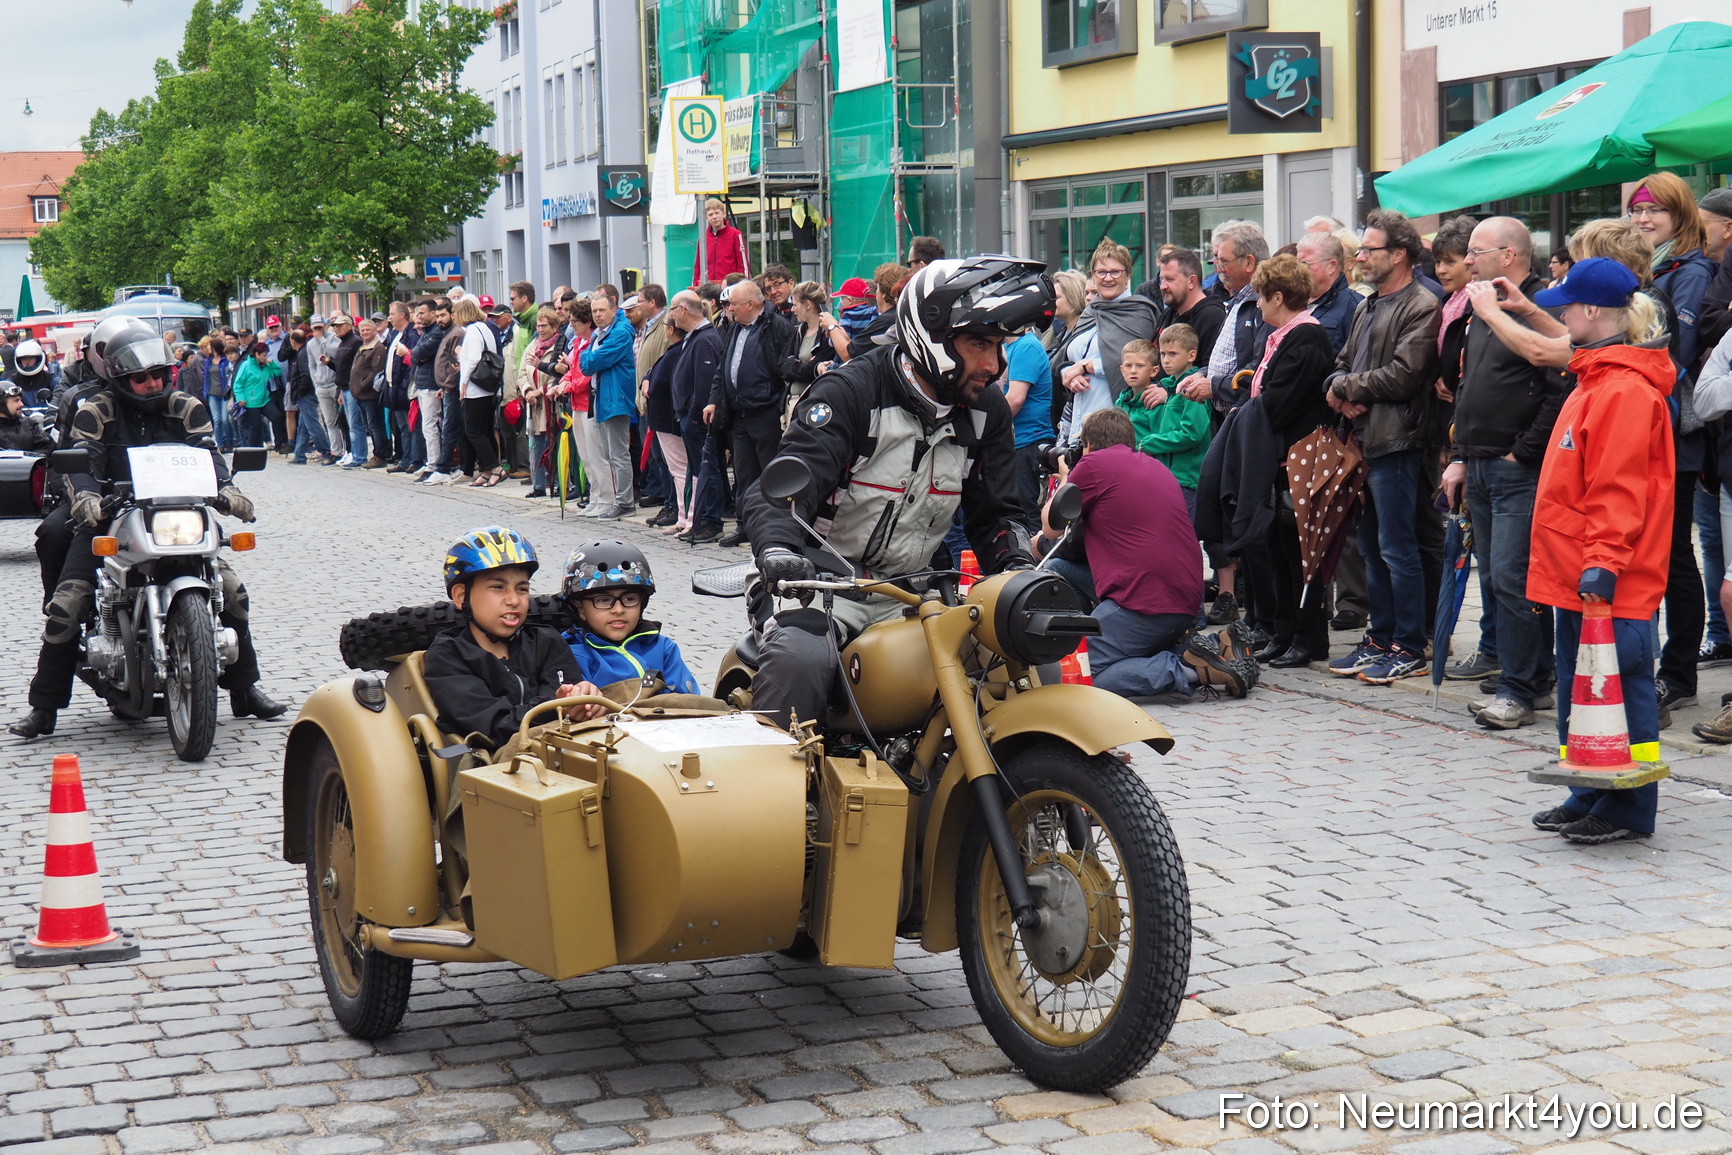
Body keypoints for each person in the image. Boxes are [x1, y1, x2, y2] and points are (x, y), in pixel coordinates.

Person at [741, 256, 1051, 729]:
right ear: (933, 337)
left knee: (1022, 651)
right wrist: (780, 551)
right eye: (979, 344)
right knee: (800, 658)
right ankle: (772, 772)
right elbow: (780, 492)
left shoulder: (985, 410)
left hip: (916, 592)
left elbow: (996, 513)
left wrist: (1016, 564)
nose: (994, 365)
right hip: (820, 586)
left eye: (998, 347)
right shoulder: (850, 393)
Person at [10, 327, 283, 740]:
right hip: (110, 515)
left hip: (177, 515)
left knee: (232, 591)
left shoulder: (185, 406)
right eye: (141, 378)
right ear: (120, 378)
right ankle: (44, 708)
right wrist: (86, 496)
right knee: (68, 605)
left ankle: (244, 689)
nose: (152, 383)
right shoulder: (95, 409)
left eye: (158, 374)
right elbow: (81, 459)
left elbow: (207, 451)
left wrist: (228, 490)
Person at [1521, 258, 1673, 843]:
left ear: (1592, 310)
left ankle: (1626, 807)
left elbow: (1619, 490)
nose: (1561, 313)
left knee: (1620, 687)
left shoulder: (1622, 390)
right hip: (1581, 569)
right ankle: (1588, 788)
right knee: (1583, 687)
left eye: (1567, 305)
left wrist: (1602, 564)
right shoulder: (1596, 381)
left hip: (1610, 575)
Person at [1440, 217, 1567, 730]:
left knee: (1514, 579)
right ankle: (1533, 679)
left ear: (1508, 255)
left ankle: (1517, 689)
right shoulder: (1483, 305)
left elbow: (1559, 386)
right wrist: (1461, 455)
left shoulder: (1538, 307)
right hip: (1482, 462)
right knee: (1496, 579)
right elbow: (1469, 384)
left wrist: (1524, 451)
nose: (1467, 260)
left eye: (1476, 250)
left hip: (1516, 468)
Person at [1041, 409, 1255, 700]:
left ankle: (1191, 669)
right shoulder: (1155, 467)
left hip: (1143, 602)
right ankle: (1219, 646)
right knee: (1060, 567)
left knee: (1079, 671)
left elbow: (1051, 527)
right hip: (1185, 600)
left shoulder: (1092, 465)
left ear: (1088, 443)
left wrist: (1066, 478)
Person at [1322, 210, 1441, 686]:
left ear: (1400, 254)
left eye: (1369, 250)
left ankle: (1409, 644)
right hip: (1364, 440)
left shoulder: (1422, 304)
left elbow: (1404, 375)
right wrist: (1338, 387)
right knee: (1371, 545)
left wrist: (1345, 387)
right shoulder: (1367, 306)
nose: (1360, 257)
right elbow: (1340, 363)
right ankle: (1380, 636)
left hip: (1398, 441)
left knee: (1397, 546)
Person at [1218, 253, 1337, 668]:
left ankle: (1308, 637)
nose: (1258, 304)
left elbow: (1280, 403)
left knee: (1300, 554)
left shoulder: (1306, 337)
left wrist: (1248, 410)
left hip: (1299, 461)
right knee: (1280, 550)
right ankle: (1285, 632)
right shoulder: (1284, 335)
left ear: (1279, 297)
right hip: (1280, 460)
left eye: (1262, 296)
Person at [422, 528, 593, 749]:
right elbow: (494, 726)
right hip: (492, 762)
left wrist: (585, 700)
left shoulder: (547, 642)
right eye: (498, 587)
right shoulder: (448, 655)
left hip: (561, 751)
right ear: (462, 596)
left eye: (522, 589)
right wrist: (556, 706)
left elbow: (570, 703)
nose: (513, 600)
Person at [703, 279, 798, 547]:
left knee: (770, 472)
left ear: (751, 304)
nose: (729, 308)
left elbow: (785, 367)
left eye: (733, 303)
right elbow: (722, 368)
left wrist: (775, 399)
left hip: (765, 413)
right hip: (739, 414)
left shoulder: (775, 326)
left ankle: (773, 529)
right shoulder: (735, 328)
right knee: (744, 474)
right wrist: (714, 400)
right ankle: (744, 525)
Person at [560, 540, 700, 697]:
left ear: (642, 603)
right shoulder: (570, 655)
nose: (618, 610)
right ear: (580, 609)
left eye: (629, 599)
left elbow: (689, 701)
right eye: (603, 600)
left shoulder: (663, 649)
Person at [1058, 239, 1159, 449]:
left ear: (1127, 274)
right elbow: (1066, 357)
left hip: (1114, 417)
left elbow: (1137, 364)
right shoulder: (1090, 311)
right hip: (1079, 416)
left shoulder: (1139, 311)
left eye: (1115, 272)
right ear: (1093, 276)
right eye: (1101, 272)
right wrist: (1069, 374)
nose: (1108, 278)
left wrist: (1085, 367)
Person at [1116, 331, 1210, 520]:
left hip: (1187, 478)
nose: (1166, 360)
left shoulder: (1193, 388)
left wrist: (1147, 443)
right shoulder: (1165, 389)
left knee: (1183, 530)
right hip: (1167, 477)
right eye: (1163, 354)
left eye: (1172, 354)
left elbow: (1191, 433)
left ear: (1191, 355)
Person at [671, 291, 725, 543]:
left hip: (697, 419)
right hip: (690, 416)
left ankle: (712, 521)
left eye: (673, 310)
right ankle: (702, 519)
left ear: (683, 309)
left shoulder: (704, 339)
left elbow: (705, 384)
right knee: (700, 469)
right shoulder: (695, 337)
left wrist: (693, 416)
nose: (671, 316)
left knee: (708, 468)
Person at [579, 292, 639, 517]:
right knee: (608, 453)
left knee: (618, 454)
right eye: (594, 311)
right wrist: (587, 358)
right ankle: (618, 500)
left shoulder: (620, 332)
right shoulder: (600, 333)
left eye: (602, 310)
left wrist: (586, 358)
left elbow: (591, 362)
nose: (597, 315)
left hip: (616, 399)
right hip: (603, 399)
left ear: (614, 311)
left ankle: (625, 503)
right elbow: (587, 361)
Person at [1002, 325, 1055, 530]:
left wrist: (987, 428)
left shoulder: (1026, 346)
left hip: (1029, 441)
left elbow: (1015, 399)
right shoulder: (1009, 347)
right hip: (1016, 441)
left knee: (1026, 513)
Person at [453, 297, 505, 487]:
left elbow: (474, 358)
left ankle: (495, 467)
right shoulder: (485, 327)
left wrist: (463, 382)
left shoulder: (473, 331)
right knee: (485, 429)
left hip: (476, 388)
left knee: (473, 429)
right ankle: (486, 469)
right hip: (487, 387)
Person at [1154, 249, 1225, 365]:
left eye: (1170, 279)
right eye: (1162, 279)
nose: (1162, 286)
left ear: (1191, 281)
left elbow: (1210, 369)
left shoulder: (1212, 317)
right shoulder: (1168, 314)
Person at [1296, 232, 1357, 355]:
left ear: (1331, 266)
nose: (1298, 271)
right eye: (1296, 264)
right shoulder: (1293, 302)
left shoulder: (1353, 306)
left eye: (1305, 264)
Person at [784, 281, 852, 390]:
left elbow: (812, 371)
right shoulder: (798, 331)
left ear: (808, 304)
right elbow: (783, 365)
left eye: (795, 305)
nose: (792, 309)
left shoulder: (828, 334)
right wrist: (804, 367)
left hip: (815, 397)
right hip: (792, 398)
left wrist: (794, 364)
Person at [410, 298, 450, 482]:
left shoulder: (436, 333)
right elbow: (415, 355)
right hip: (423, 383)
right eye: (417, 313)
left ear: (432, 313)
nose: (419, 316)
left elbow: (418, 353)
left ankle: (434, 464)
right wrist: (417, 356)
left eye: (422, 313)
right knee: (427, 426)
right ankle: (431, 462)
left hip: (431, 385)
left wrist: (417, 355)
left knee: (430, 426)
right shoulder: (427, 333)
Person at [346, 317, 388, 469]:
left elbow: (376, 371)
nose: (364, 332)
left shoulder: (377, 347)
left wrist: (362, 385)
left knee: (375, 425)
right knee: (369, 426)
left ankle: (380, 455)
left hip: (370, 394)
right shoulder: (363, 346)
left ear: (375, 330)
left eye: (367, 330)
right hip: (360, 395)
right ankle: (377, 454)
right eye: (362, 330)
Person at [232, 340, 282, 449]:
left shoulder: (266, 366)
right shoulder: (246, 366)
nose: (265, 357)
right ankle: (252, 449)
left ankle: (279, 444)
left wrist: (271, 363)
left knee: (277, 417)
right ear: (257, 355)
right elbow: (238, 384)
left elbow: (277, 372)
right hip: (251, 402)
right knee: (256, 426)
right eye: (264, 355)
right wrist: (240, 398)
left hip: (264, 399)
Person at [692, 198, 749, 286]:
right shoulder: (703, 238)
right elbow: (697, 266)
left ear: (724, 214)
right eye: (710, 214)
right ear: (706, 217)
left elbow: (743, 265)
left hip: (730, 286)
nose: (714, 217)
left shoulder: (735, 235)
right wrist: (695, 285)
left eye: (717, 213)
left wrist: (744, 286)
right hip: (708, 286)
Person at [0, 382, 51, 451]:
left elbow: (45, 449)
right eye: (16, 400)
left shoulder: (30, 425)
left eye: (20, 400)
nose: (21, 404)